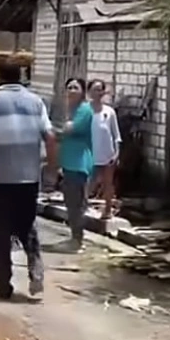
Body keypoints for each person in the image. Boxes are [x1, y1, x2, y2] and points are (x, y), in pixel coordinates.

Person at [0, 57, 57, 300]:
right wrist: (51, 168)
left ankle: (4, 284)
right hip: (29, 178)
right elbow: (50, 137)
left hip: (0, 179)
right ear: (20, 76)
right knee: (28, 228)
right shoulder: (35, 102)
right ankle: (36, 274)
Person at [58, 77, 94, 250]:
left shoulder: (85, 110)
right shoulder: (70, 110)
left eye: (75, 88)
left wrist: (63, 127)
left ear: (82, 92)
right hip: (69, 163)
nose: (71, 91)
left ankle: (77, 240)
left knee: (76, 204)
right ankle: (75, 237)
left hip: (79, 163)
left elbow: (71, 129)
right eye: (69, 87)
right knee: (71, 203)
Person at [88, 78, 121, 219]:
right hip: (89, 154)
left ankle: (107, 210)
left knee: (108, 183)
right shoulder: (84, 111)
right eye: (95, 89)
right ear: (89, 92)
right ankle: (82, 208)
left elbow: (116, 135)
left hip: (107, 154)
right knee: (88, 183)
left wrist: (117, 153)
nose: (98, 93)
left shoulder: (109, 112)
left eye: (100, 89)